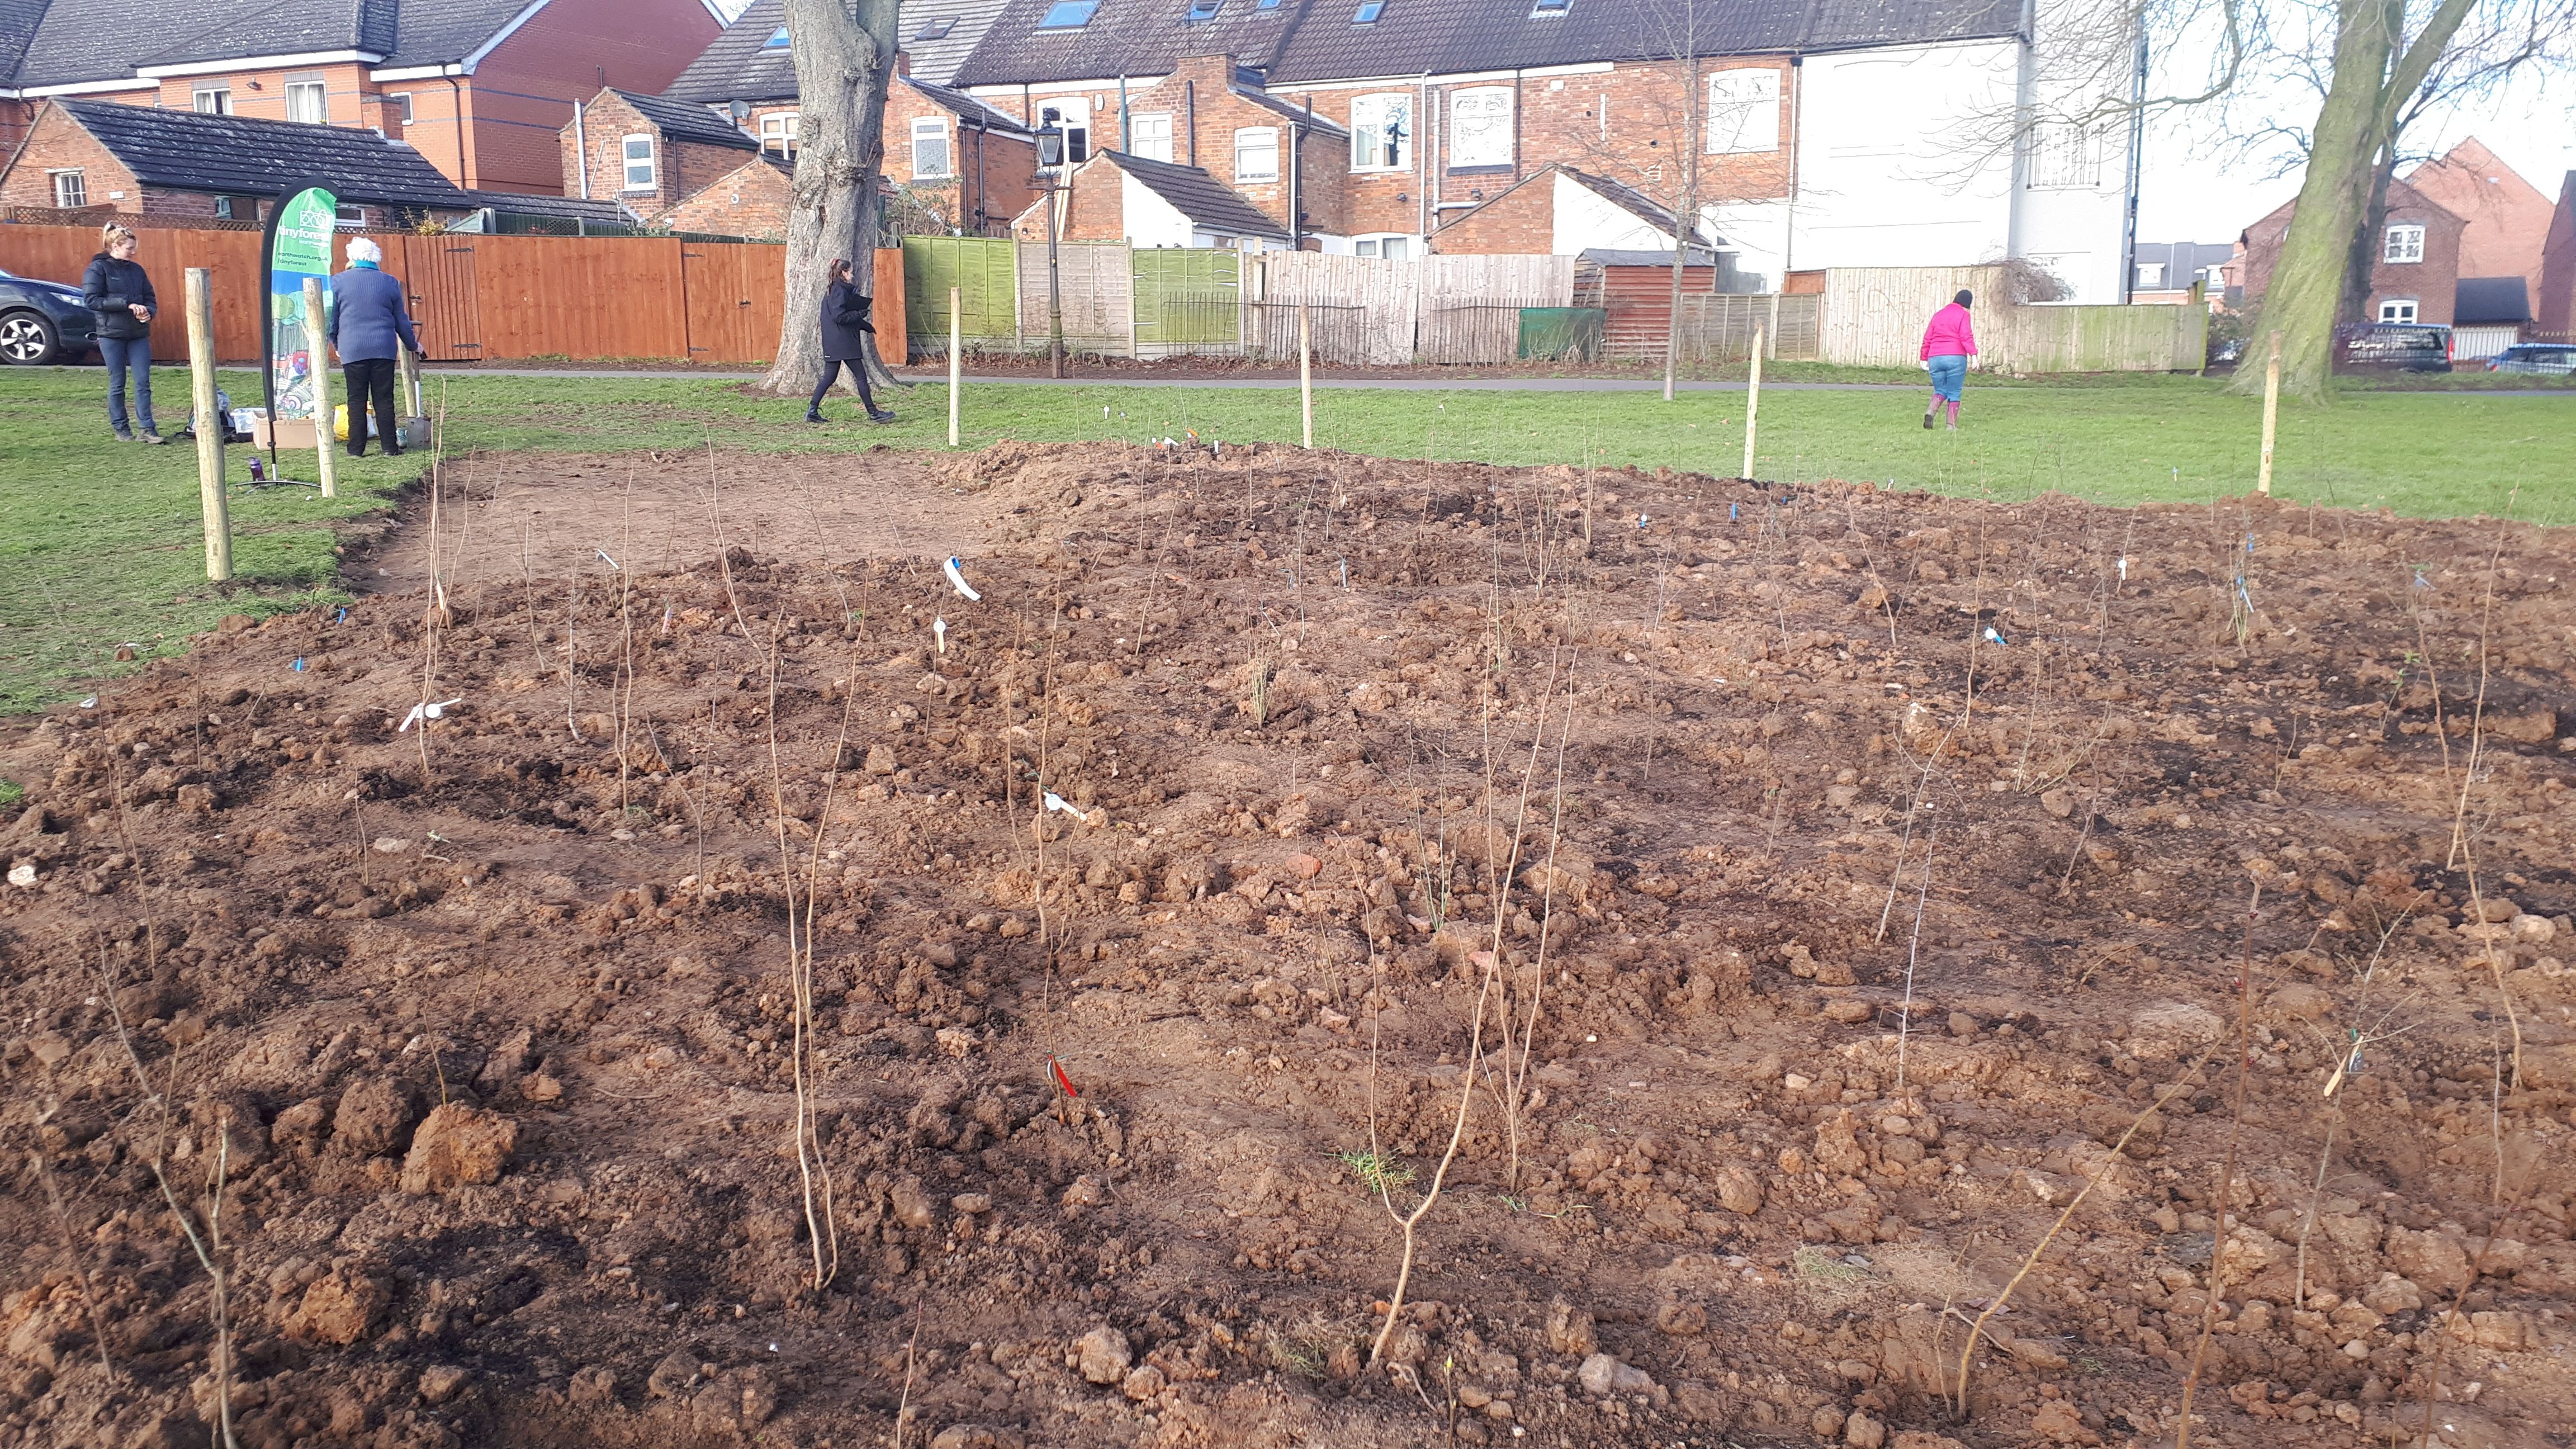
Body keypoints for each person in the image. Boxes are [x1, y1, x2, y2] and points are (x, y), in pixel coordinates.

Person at [327, 237, 422, 457]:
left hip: (352, 348)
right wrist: (413, 344)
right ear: (376, 258)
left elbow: (334, 319)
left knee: (356, 399)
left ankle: (356, 449)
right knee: (384, 398)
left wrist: (336, 343)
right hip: (383, 348)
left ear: (352, 257)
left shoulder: (337, 282)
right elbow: (401, 321)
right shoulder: (390, 283)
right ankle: (389, 447)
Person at [82, 224, 163, 443]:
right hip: (111, 334)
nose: (133, 252)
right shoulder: (98, 269)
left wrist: (149, 313)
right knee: (118, 382)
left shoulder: (137, 271)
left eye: (134, 248)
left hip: (138, 333)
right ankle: (121, 428)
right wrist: (126, 304)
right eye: (129, 248)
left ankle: (147, 429)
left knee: (143, 382)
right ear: (115, 246)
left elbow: (150, 298)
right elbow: (92, 300)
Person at [809, 259, 893, 424]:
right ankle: (873, 413)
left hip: (834, 341)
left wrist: (865, 325)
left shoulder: (833, 290)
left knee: (829, 377)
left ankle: (812, 411)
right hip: (845, 342)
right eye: (850, 272)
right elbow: (839, 317)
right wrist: (859, 315)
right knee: (861, 376)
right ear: (843, 273)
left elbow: (844, 312)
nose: (852, 275)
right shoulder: (840, 291)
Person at [1919, 288, 1977, 430]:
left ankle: (1931, 411)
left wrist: (1923, 358)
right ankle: (1951, 425)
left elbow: (1928, 338)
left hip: (1935, 358)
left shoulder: (1938, 315)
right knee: (1954, 391)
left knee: (1940, 389)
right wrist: (1974, 355)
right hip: (1955, 357)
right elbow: (1966, 336)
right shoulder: (1964, 314)